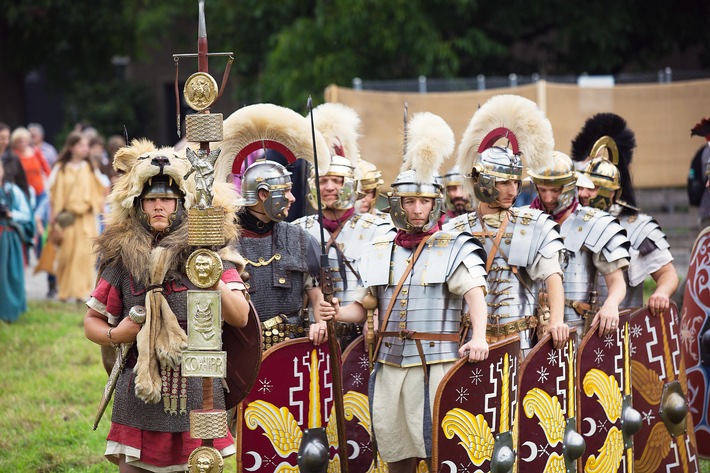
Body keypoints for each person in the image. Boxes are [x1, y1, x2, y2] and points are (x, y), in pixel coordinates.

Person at [320, 112, 489, 473]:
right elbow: (362, 306)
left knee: (440, 449)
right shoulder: (381, 246)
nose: (417, 209)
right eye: (410, 202)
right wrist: (336, 312)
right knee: (395, 448)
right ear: (397, 204)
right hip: (390, 361)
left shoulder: (452, 244)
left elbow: (475, 293)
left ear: (435, 204)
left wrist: (478, 336)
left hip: (437, 362)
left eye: (424, 202)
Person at [83, 139, 250, 471]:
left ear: (181, 205)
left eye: (167, 200)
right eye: (152, 200)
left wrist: (210, 274)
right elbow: (91, 323)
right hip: (140, 392)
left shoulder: (211, 255)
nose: (159, 206)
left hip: (198, 393)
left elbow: (241, 317)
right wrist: (119, 333)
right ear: (138, 204)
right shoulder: (123, 262)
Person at [442, 94, 569, 354]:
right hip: (469, 343)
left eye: (515, 182)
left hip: (521, 343)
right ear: (485, 182)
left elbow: (552, 276)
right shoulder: (454, 230)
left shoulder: (534, 224)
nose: (512, 190)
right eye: (503, 182)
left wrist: (556, 322)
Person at [295, 103, 392, 349]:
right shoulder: (299, 229)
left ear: (350, 184)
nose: (329, 187)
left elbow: (375, 288)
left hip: (363, 336)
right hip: (313, 335)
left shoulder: (377, 227)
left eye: (336, 181)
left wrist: (340, 314)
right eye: (323, 180)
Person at [572, 112, 677, 313]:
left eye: (592, 186)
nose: (583, 193)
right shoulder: (569, 223)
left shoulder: (638, 227)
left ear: (612, 189)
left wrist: (661, 293)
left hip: (622, 334)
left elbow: (668, 274)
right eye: (580, 186)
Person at [528, 150, 630, 339]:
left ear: (569, 186)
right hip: (528, 331)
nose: (548, 198)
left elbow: (616, 281)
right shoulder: (524, 221)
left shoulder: (595, 223)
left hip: (577, 330)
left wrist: (611, 304)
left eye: (555, 190)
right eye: (543, 190)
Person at [235, 158, 328, 350]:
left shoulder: (300, 238)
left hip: (290, 350)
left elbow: (318, 296)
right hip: (241, 350)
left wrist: (321, 324)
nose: (292, 197)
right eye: (285, 191)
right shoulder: (226, 241)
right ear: (263, 194)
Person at [48, 132, 107, 302]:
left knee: (84, 256)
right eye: (81, 145)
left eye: (86, 146)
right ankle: (65, 292)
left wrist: (99, 206)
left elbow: (103, 188)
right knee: (65, 255)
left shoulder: (90, 167)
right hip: (66, 218)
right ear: (72, 147)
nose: (85, 149)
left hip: (86, 218)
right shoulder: (61, 168)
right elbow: (52, 193)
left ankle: (83, 293)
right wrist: (53, 216)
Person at [0, 159, 34, 322]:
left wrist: (11, 214)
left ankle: (9, 313)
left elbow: (27, 214)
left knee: (9, 277)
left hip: (8, 239)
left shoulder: (12, 190)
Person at [12, 126, 51, 210]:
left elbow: (46, 168)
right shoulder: (14, 155)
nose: (22, 144)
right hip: (24, 191)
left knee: (41, 217)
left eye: (24, 141)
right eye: (19, 142)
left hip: (40, 189)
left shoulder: (36, 151)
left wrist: (50, 182)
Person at [0, 123, 30, 198]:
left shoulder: (13, 158)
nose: (5, 142)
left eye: (7, 138)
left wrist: (26, 202)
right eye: (2, 138)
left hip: (10, 203)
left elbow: (22, 183)